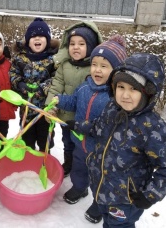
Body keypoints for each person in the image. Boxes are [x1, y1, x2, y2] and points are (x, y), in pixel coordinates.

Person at [85, 53, 166, 227]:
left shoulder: (151, 126)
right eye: (121, 87)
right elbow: (99, 127)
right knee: (108, 221)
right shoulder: (112, 107)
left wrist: (150, 195)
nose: (125, 95)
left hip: (126, 199)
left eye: (134, 89)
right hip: (101, 186)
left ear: (148, 93)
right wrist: (81, 126)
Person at [53, 35, 127, 224]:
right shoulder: (85, 86)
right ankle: (79, 187)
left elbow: (108, 125)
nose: (97, 70)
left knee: (100, 178)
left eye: (104, 66)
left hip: (101, 150)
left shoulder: (114, 97)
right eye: (95, 64)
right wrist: (60, 100)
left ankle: (98, 203)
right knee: (79, 168)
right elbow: (73, 102)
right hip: (80, 143)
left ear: (116, 70)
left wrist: (80, 127)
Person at [45, 21, 103, 177]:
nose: (75, 47)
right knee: (67, 143)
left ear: (91, 47)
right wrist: (50, 105)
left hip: (85, 120)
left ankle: (84, 170)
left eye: (81, 44)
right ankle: (69, 163)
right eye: (72, 44)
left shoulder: (95, 69)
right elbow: (56, 85)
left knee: (83, 146)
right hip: (65, 116)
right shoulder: (64, 66)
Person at [9, 17, 60, 152]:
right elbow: (13, 73)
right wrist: (19, 84)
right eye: (33, 37)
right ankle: (29, 159)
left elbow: (57, 78)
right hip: (26, 108)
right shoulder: (20, 58)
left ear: (48, 40)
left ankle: (45, 159)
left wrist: (43, 88)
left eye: (41, 36)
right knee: (27, 138)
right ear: (28, 41)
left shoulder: (53, 59)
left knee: (45, 139)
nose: (37, 39)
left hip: (45, 109)